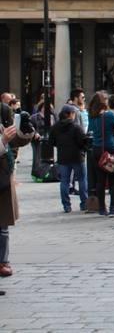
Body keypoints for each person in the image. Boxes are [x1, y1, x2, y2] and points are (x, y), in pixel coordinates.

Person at [0, 121, 33, 291]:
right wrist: (3, 141)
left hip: (3, 181)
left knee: (2, 227)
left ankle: (2, 261)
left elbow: (15, 141)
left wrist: (27, 131)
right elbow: (5, 142)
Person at [87, 91, 114, 217]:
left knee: (100, 180)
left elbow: (90, 130)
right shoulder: (109, 116)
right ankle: (113, 207)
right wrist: (111, 132)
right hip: (110, 148)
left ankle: (102, 209)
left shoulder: (91, 116)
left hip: (97, 149)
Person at [50, 105, 89, 213]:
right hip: (77, 157)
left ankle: (66, 206)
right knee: (82, 179)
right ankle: (84, 203)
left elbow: (51, 141)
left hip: (63, 157)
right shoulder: (76, 127)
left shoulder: (55, 127)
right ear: (70, 114)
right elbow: (83, 142)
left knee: (65, 182)